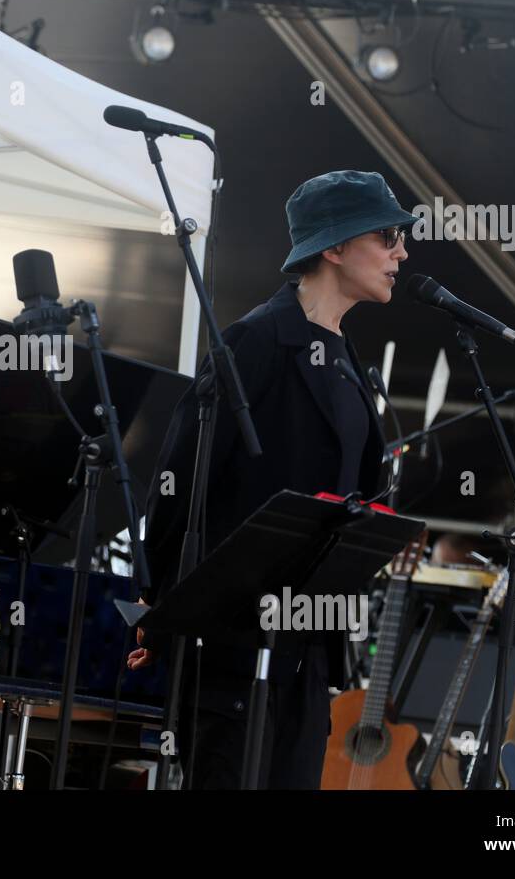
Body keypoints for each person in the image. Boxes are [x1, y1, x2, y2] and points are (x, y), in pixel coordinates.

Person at [129, 169, 416, 789]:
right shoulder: (258, 340)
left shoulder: (346, 362)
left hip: (308, 646)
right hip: (234, 645)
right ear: (334, 247)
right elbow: (180, 477)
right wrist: (156, 602)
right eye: (388, 236)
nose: (402, 252)